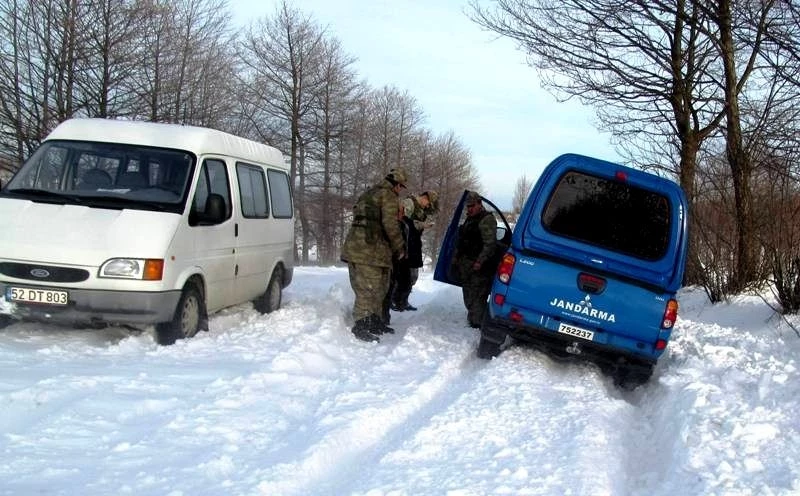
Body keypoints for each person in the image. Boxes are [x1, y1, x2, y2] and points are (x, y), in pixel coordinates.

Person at [341, 168, 408, 342]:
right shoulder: (389, 196)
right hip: (370, 252)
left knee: (380, 288)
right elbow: (390, 224)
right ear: (397, 185)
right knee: (368, 289)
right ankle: (361, 325)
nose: (400, 191)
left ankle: (374, 321)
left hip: (362, 249)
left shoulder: (369, 193)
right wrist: (400, 248)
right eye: (401, 187)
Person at [452, 191, 497, 328]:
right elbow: (462, 240)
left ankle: (477, 324)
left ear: (479, 204)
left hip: (479, 266)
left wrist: (479, 261)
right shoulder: (470, 218)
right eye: (468, 206)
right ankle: (472, 318)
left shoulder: (486, 219)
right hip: (466, 264)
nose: (469, 209)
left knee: (478, 296)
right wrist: (456, 258)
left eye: (472, 206)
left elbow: (490, 244)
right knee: (469, 296)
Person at [390, 190, 438, 312]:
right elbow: (403, 222)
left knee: (412, 276)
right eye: (428, 204)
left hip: (413, 244)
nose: (427, 207)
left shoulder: (420, 209)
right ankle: (394, 300)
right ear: (425, 198)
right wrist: (422, 225)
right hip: (404, 244)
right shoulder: (409, 203)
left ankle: (403, 301)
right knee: (401, 275)